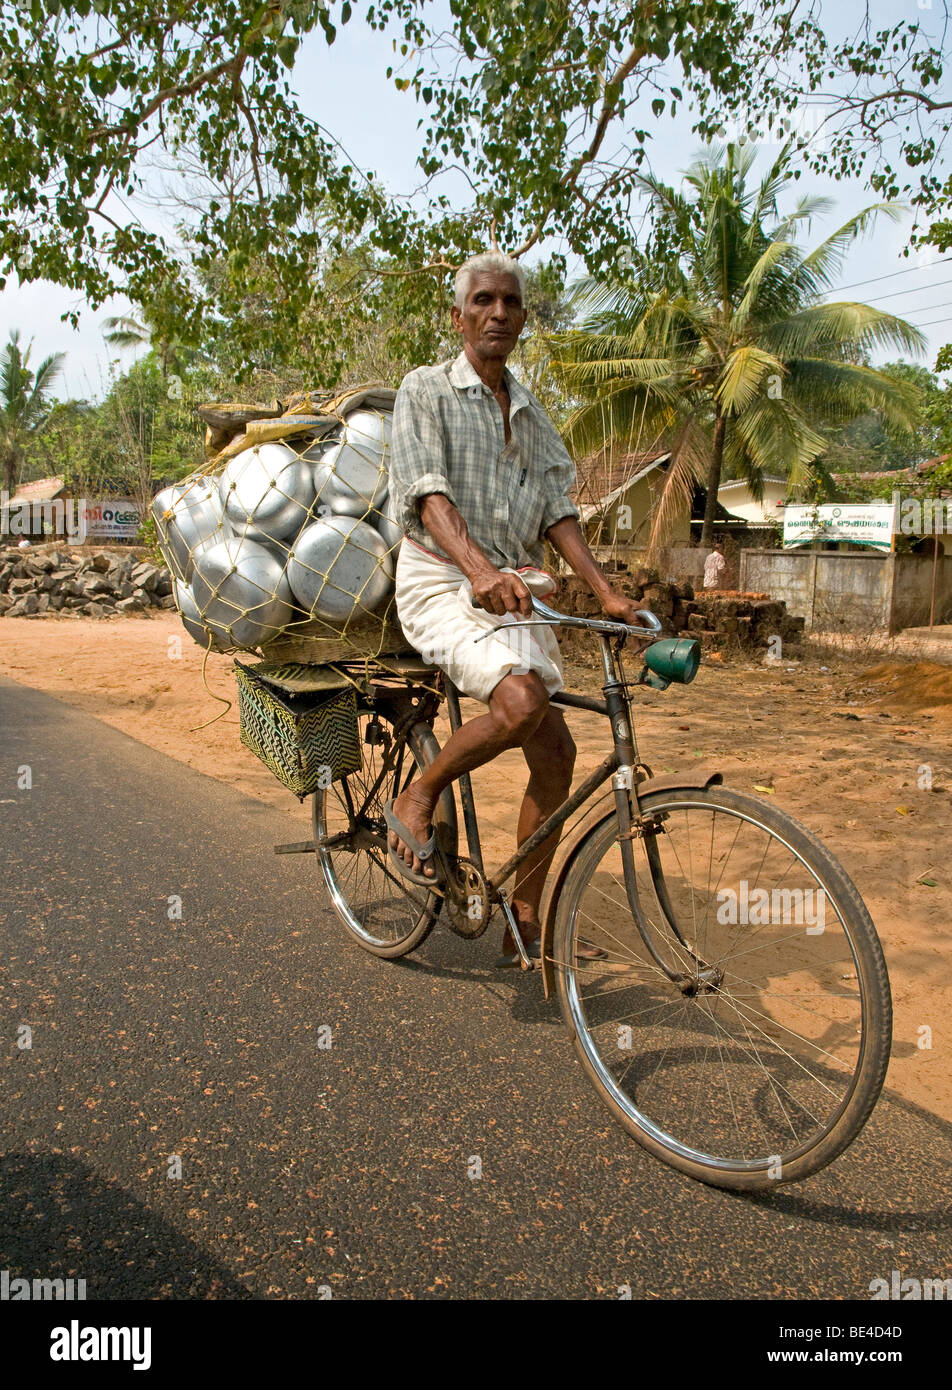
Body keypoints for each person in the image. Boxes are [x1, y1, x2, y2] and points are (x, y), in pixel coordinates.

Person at [387, 250, 644, 967]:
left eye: (510, 301)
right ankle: (420, 793)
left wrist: (607, 593)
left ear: (524, 318)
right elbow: (427, 493)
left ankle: (522, 922)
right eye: (483, 301)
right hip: (441, 578)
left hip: (514, 590)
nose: (498, 312)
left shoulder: (531, 414)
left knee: (558, 752)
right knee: (523, 700)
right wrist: (476, 568)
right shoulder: (426, 390)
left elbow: (560, 512)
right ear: (459, 314)